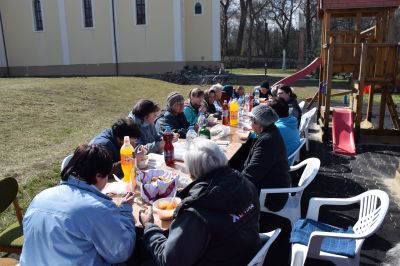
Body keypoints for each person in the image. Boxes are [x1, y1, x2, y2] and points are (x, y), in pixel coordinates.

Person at [139, 139, 261, 266]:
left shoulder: (197, 213)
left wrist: (149, 226)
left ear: (191, 173)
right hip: (247, 253)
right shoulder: (244, 183)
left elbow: (169, 261)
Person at [20, 144, 136, 265]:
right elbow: (121, 253)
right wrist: (125, 210)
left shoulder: (40, 197)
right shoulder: (98, 208)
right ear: (98, 176)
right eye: (107, 176)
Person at [240, 104, 292, 265]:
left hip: (271, 194)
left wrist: (230, 183)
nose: (250, 123)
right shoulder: (269, 133)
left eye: (252, 121)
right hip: (272, 182)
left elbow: (251, 175)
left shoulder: (267, 141)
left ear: (259, 124)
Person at [267, 97, 301, 161]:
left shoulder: (277, 128)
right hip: (287, 158)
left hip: (279, 164)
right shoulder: (291, 121)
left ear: (273, 114)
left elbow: (261, 139)